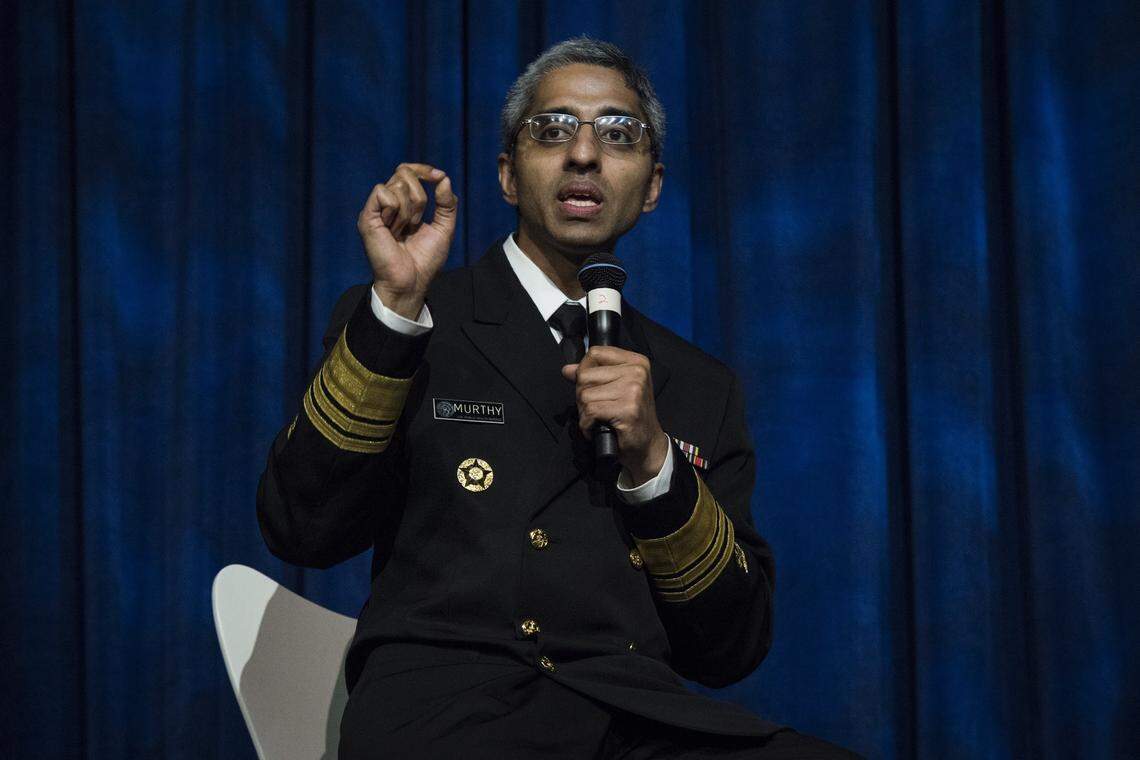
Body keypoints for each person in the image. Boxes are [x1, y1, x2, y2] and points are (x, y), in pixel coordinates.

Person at [257, 37, 861, 759]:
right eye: (553, 130)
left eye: (617, 134)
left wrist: (654, 468)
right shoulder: (414, 319)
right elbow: (301, 528)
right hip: (453, 713)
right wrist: (392, 310)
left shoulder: (697, 385)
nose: (583, 154)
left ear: (654, 184)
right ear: (510, 175)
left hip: (633, 722)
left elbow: (730, 647)